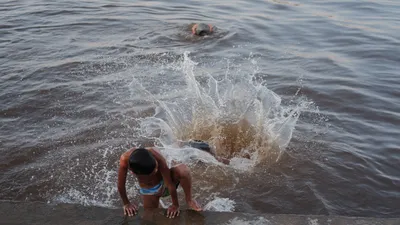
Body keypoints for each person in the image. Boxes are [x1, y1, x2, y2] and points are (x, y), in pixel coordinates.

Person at [117, 147, 202, 218]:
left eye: (156, 167)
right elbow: (121, 185)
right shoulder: (124, 160)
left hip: (165, 184)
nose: (156, 170)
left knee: (183, 170)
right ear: (134, 172)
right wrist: (126, 203)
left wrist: (175, 205)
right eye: (152, 172)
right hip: (150, 191)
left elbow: (169, 183)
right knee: (149, 218)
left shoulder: (155, 155)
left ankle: (189, 200)